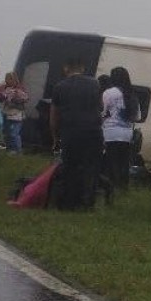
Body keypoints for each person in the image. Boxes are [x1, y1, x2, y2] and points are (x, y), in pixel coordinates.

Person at [49, 57, 102, 211]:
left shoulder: (60, 87)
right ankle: (87, 202)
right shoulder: (95, 84)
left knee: (70, 167)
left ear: (66, 68)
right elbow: (100, 107)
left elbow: (54, 116)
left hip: (70, 133)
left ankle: (68, 202)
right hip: (93, 132)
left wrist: (54, 137)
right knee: (90, 167)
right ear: (83, 68)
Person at [101, 66, 139, 189]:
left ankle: (109, 188)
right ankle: (122, 188)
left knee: (110, 163)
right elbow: (136, 117)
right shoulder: (132, 95)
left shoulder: (109, 93)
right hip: (126, 135)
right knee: (123, 163)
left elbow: (102, 112)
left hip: (110, 133)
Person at [0, 71, 29, 155]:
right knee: (6, 132)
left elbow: (26, 99)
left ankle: (18, 150)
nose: (6, 81)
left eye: (8, 79)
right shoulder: (5, 88)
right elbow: (1, 98)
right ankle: (10, 149)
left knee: (14, 133)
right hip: (6, 113)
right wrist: (0, 94)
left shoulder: (19, 89)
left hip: (16, 114)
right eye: (6, 79)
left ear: (13, 79)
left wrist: (14, 99)